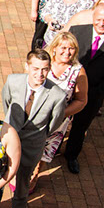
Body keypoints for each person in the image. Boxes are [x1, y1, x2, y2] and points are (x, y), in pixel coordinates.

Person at [1, 49, 67, 208]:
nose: (40, 74)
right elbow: (7, 105)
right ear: (27, 66)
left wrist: (36, 137)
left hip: (31, 147)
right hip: (7, 141)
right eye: (36, 68)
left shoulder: (57, 95)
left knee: (22, 186)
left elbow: (54, 123)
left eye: (45, 69)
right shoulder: (13, 81)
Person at [64, 2, 104, 173]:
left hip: (93, 93)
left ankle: (71, 155)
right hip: (66, 89)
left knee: (80, 126)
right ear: (93, 17)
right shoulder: (78, 32)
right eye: (98, 19)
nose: (102, 24)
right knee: (59, 120)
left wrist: (92, 92)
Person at [35, 32, 88, 184]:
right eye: (63, 47)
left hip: (57, 120)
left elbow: (81, 100)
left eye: (71, 48)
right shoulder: (43, 63)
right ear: (55, 48)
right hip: (35, 115)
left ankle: (35, 173)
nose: (67, 52)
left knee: (44, 150)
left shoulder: (78, 71)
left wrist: (60, 113)